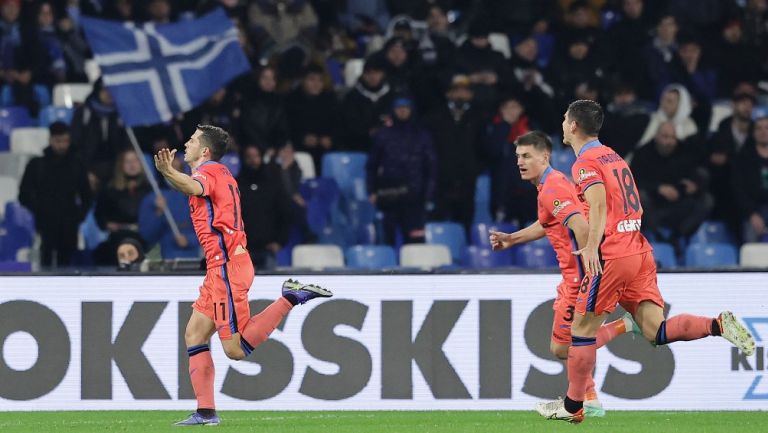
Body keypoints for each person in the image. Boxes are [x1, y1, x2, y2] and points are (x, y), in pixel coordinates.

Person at [536, 100, 756, 423]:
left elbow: (596, 206)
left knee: (579, 333)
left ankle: (573, 406)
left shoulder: (583, 163)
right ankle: (717, 324)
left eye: (565, 119)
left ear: (573, 126)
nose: (562, 123)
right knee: (656, 331)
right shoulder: (615, 157)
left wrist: (592, 247)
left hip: (613, 254)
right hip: (639, 251)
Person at [154, 124, 333, 426]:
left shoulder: (209, 172)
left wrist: (167, 172)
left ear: (205, 151)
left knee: (235, 350)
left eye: (193, 140)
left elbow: (190, 187)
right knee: (194, 334)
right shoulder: (221, 173)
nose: (187, 143)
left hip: (227, 268)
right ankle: (206, 412)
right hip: (219, 267)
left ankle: (290, 297)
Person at [489, 131, 638, 417]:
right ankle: (590, 397)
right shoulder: (549, 185)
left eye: (527, 156)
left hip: (577, 277)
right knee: (569, 344)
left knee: (563, 347)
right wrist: (512, 238)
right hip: (571, 277)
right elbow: (547, 223)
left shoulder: (553, 187)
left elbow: (581, 226)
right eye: (518, 157)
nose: (520, 162)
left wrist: (589, 273)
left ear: (544, 156)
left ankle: (589, 395)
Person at [18, 121, 91, 268]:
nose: (62, 145)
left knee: (68, 262)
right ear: (51, 140)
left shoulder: (77, 164)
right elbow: (24, 194)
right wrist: (39, 209)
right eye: (58, 141)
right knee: (46, 259)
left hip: (70, 222)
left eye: (65, 141)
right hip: (46, 221)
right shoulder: (37, 165)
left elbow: (86, 194)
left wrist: (79, 215)